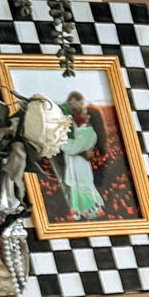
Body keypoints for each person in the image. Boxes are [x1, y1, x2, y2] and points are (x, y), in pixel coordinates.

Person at [55, 91, 104, 219]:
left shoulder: (87, 132)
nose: (78, 112)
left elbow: (71, 148)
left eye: (83, 111)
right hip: (77, 164)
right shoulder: (80, 130)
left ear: (87, 117)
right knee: (80, 188)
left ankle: (89, 212)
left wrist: (60, 142)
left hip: (79, 166)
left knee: (82, 187)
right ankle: (83, 211)